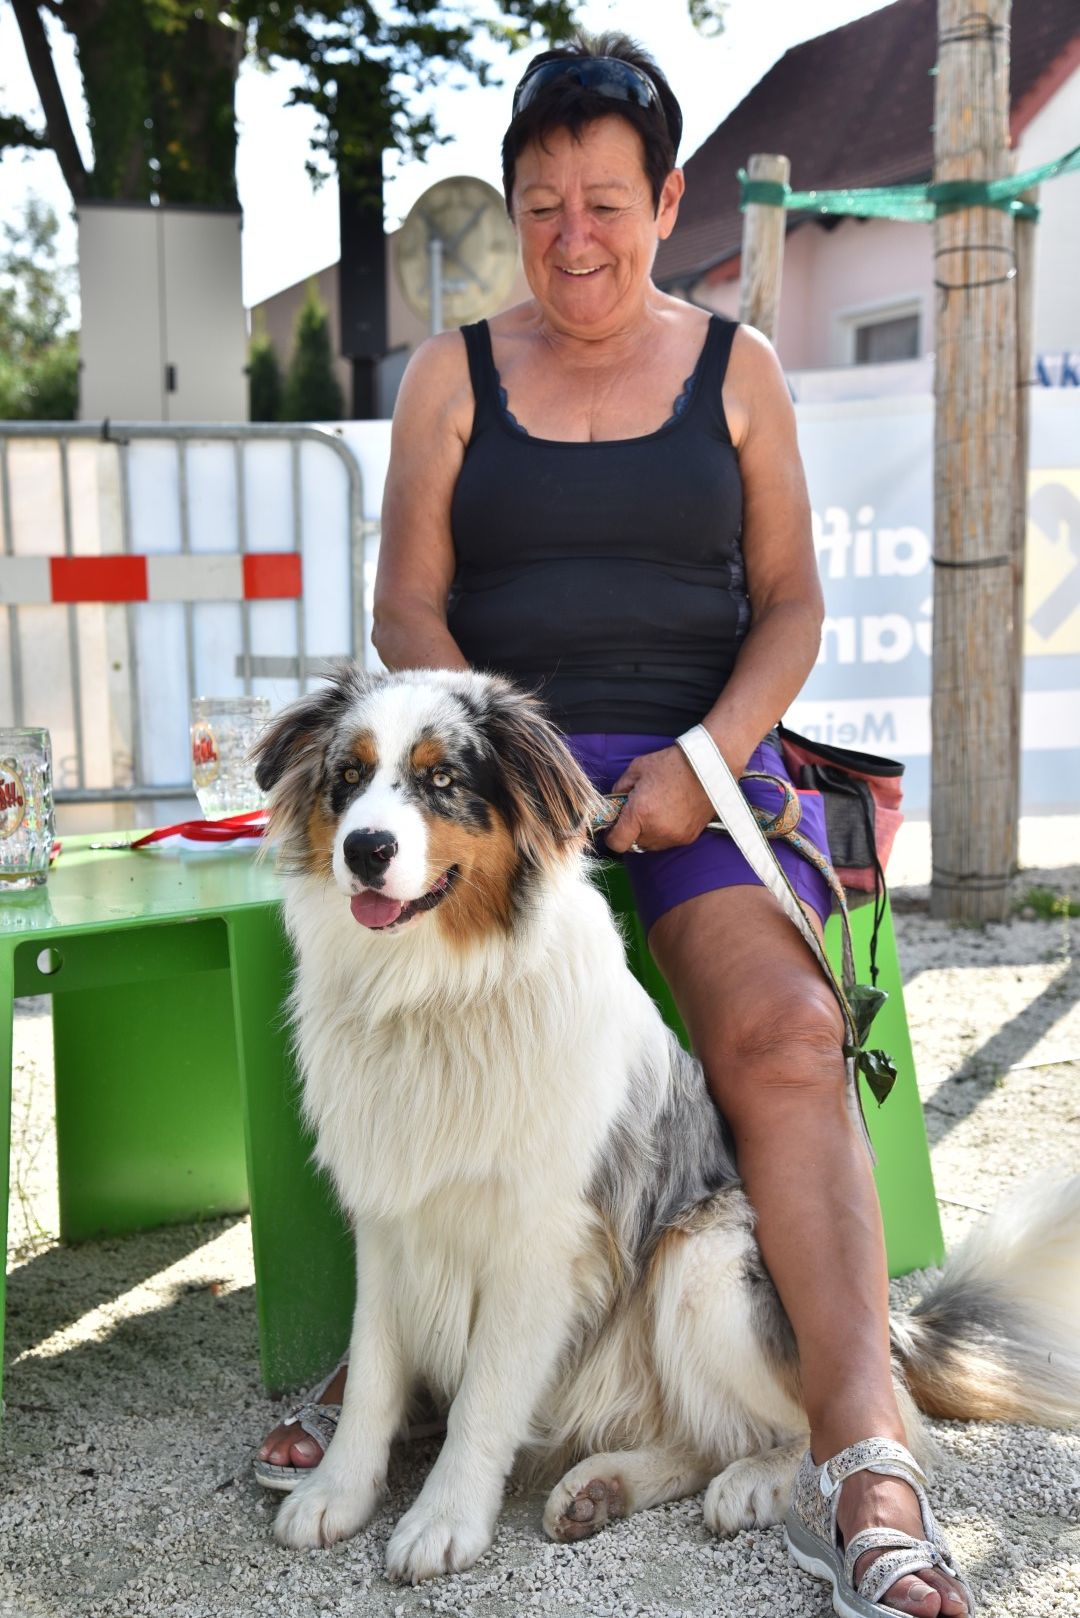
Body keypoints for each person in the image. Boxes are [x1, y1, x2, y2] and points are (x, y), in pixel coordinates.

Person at [257, 33, 970, 1618]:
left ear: (666, 199)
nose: (572, 236)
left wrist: (702, 762)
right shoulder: (450, 376)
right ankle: (402, 1364)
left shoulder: (740, 371)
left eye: (605, 202)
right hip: (495, 785)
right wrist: (516, 780)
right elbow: (408, 608)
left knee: (787, 1030)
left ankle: (862, 1448)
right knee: (387, 1013)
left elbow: (792, 605)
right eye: (540, 205)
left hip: (692, 775)